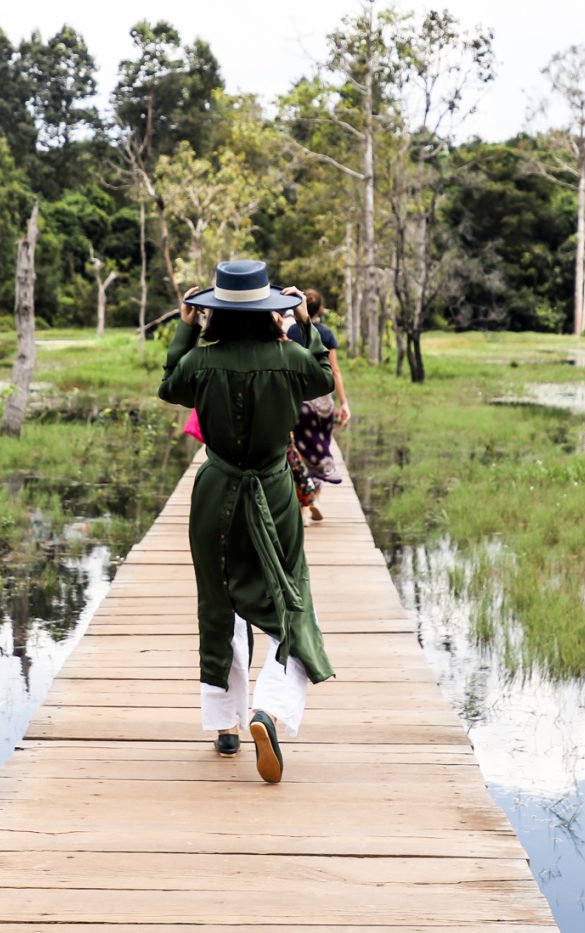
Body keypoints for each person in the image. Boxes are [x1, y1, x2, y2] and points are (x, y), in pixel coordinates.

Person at [158, 259, 336, 784]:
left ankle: (225, 726)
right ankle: (269, 710)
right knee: (288, 600)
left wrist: (185, 326)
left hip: (215, 493)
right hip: (274, 490)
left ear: (213, 311)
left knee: (220, 604)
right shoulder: (288, 356)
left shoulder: (201, 363)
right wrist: (303, 321)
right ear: (268, 310)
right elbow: (322, 376)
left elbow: (171, 384)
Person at [286, 289, 349, 519]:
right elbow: (335, 371)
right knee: (319, 449)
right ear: (320, 309)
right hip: (323, 404)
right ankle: (316, 499)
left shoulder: (292, 331)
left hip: (299, 401)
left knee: (299, 451)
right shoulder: (327, 333)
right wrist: (344, 403)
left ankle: (304, 502)